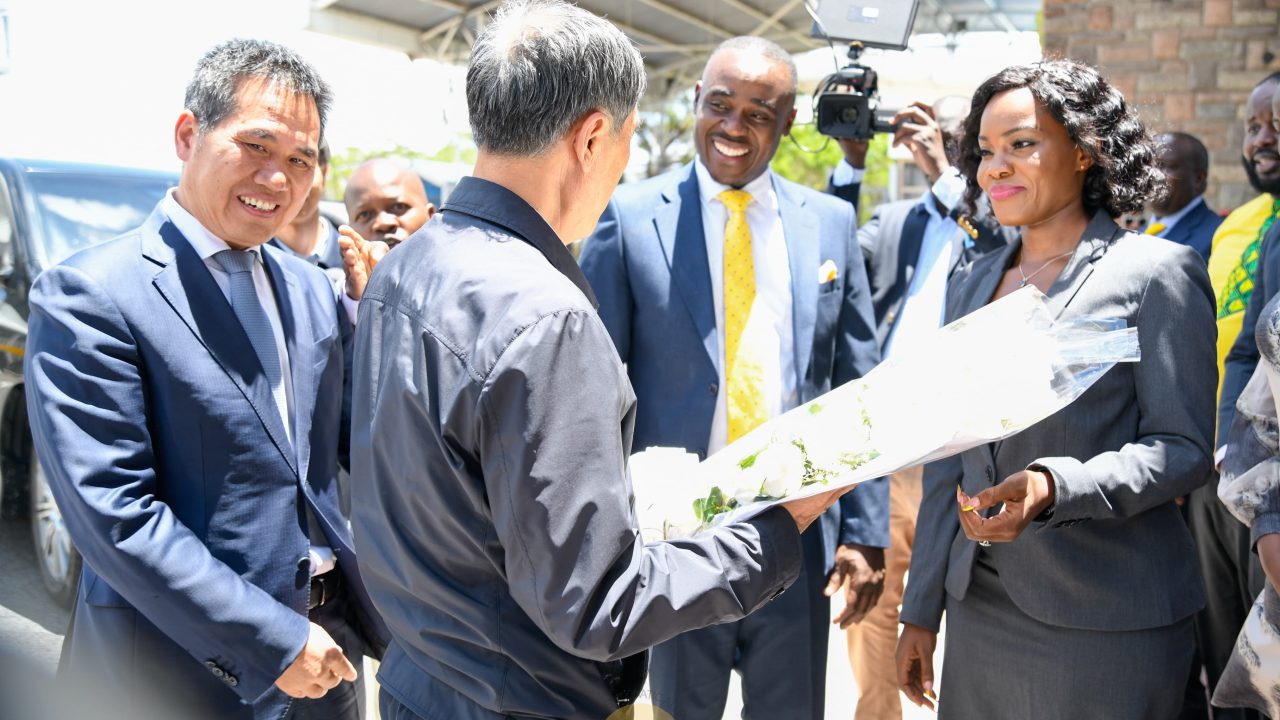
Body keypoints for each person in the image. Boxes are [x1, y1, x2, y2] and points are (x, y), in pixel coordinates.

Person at [348, 4, 853, 720]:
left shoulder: (404, 267)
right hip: (518, 697)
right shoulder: (545, 315)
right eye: (627, 139)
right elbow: (599, 604)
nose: (623, 167)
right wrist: (775, 530)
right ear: (591, 137)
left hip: (422, 681)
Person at [23, 39, 387, 720]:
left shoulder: (314, 289)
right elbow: (116, 516)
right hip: (173, 671)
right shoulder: (90, 294)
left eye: (300, 160)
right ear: (189, 135)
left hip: (329, 661)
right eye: (257, 146)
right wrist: (272, 641)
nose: (276, 178)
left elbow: (353, 450)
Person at [896, 59, 1215, 719]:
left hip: (1106, 617)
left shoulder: (1156, 274)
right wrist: (920, 609)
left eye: (1021, 144)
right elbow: (949, 460)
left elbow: (1182, 448)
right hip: (979, 611)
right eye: (986, 151)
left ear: (1084, 150)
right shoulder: (972, 281)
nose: (996, 168)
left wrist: (1055, 486)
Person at [580, 36, 887, 720]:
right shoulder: (628, 218)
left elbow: (855, 383)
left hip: (797, 527)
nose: (734, 127)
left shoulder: (831, 223)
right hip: (677, 538)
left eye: (759, 113)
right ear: (696, 101)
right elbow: (596, 389)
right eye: (720, 105)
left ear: (789, 121)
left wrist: (866, 529)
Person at [843, 95, 1014, 720]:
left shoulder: (999, 219)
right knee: (876, 600)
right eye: (936, 133)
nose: (944, 144)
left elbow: (1002, 247)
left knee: (962, 595)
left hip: (962, 449)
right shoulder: (894, 222)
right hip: (888, 447)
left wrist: (946, 175)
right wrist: (852, 163)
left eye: (959, 137)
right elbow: (828, 255)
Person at [1195, 71, 1280, 720]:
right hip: (1243, 472)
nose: (1262, 139)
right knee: (1237, 658)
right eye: (1253, 126)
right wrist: (1231, 451)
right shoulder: (1262, 229)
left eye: (1276, 123)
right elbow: (1249, 350)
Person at [336, 157, 434, 303]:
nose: (383, 223)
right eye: (365, 214)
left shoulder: (460, 282)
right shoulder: (334, 301)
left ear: (430, 216)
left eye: (399, 207)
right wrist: (359, 299)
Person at [270, 137, 345, 282]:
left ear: (324, 172)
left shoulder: (357, 257)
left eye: (299, 162)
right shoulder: (248, 262)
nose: (284, 183)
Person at [1144, 132, 1223, 263]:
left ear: (1198, 179)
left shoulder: (1217, 236)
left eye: (1164, 166)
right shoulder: (1138, 233)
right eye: (1147, 165)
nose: (1150, 174)